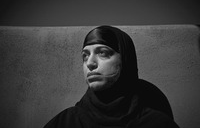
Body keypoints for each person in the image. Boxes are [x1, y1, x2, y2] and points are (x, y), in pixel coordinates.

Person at [44, 25, 180, 128]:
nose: (90, 63)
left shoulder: (157, 123)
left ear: (126, 60)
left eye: (103, 53)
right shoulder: (65, 122)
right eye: (85, 56)